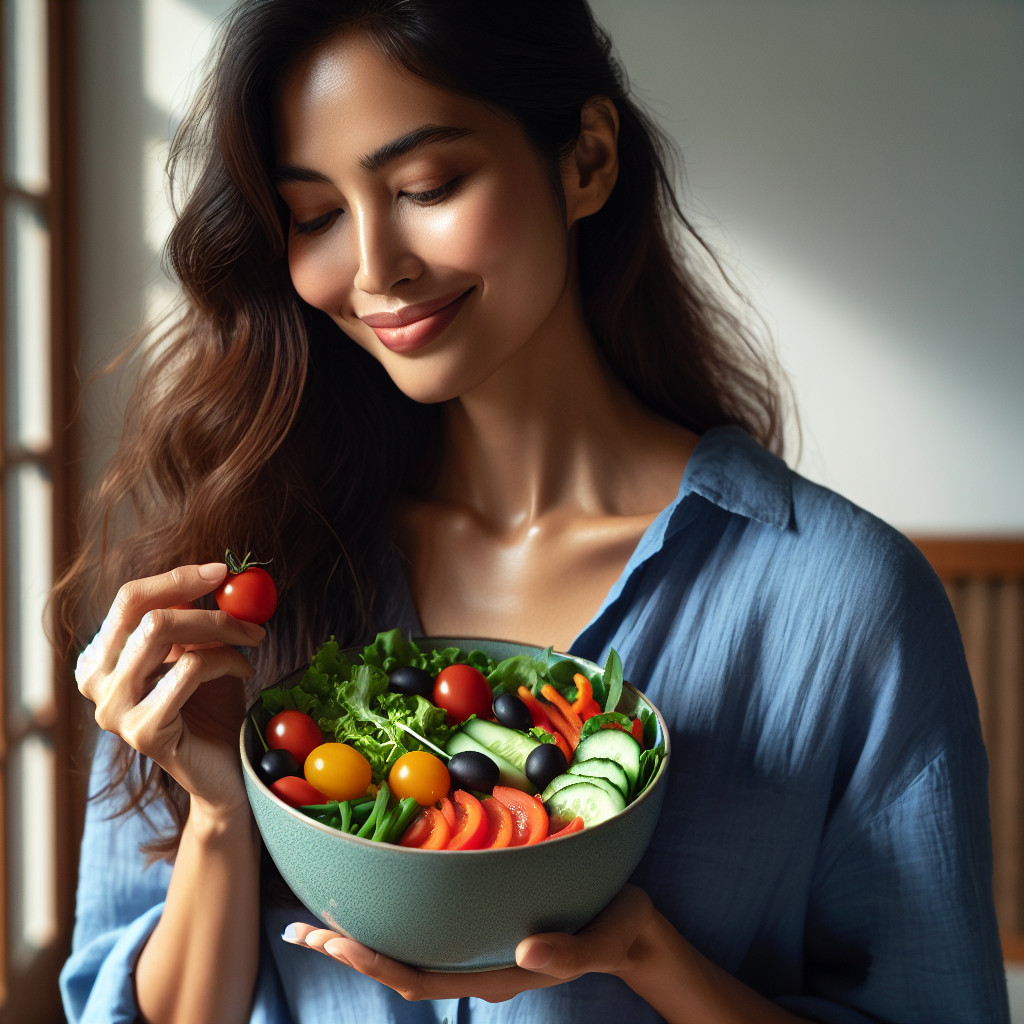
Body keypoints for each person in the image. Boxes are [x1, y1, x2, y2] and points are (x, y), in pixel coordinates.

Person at [58, 2, 1008, 1022]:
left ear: (586, 160)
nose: (376, 266)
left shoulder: (844, 603)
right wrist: (218, 814)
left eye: (425, 186)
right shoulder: (241, 568)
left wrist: (649, 953)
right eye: (316, 215)